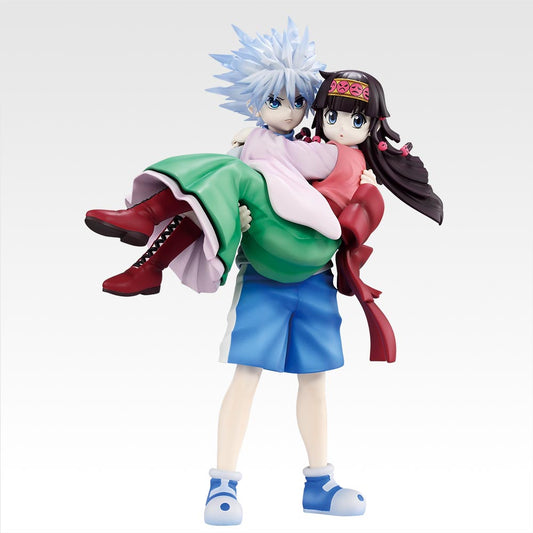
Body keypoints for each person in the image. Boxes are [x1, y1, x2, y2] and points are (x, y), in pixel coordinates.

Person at [85, 21, 443, 526]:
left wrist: (252, 145)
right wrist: (239, 213)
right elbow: (277, 172)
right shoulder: (306, 151)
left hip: (312, 268)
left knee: (312, 380)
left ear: (372, 125)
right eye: (332, 114)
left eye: (355, 118)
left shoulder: (327, 155)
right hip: (271, 272)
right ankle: (223, 482)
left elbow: (281, 163)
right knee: (249, 374)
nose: (340, 125)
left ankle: (319, 482)